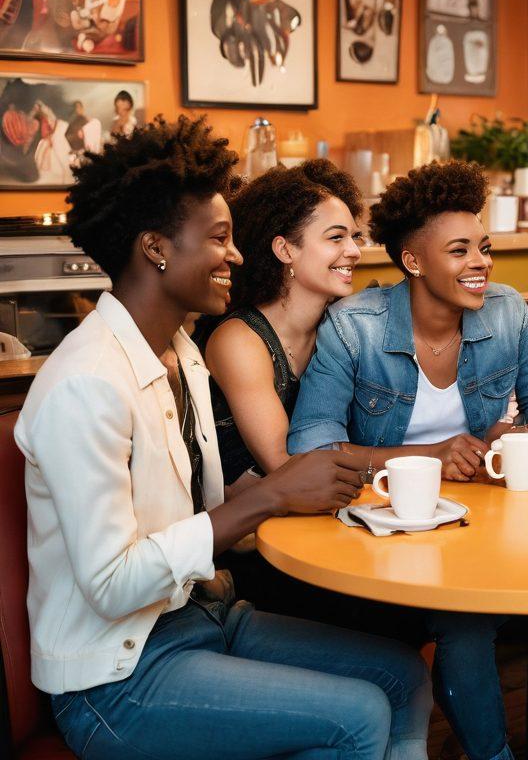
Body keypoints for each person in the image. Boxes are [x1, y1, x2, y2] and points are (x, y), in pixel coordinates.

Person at [15, 116, 431, 760]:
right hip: (116, 679)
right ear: (156, 248)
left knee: (400, 675)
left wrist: (317, 492)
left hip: (200, 618)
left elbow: (200, 498)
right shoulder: (86, 384)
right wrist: (268, 498)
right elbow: (111, 583)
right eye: (218, 238)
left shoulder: (181, 351)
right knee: (358, 716)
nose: (237, 255)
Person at [289, 159, 528, 760]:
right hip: (384, 531)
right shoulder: (355, 328)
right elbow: (311, 449)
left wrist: (524, 441)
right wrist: (429, 457)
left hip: (484, 524)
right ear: (413, 261)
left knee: (480, 616)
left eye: (484, 247)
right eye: (460, 251)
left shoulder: (506, 312)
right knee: (464, 622)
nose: (481, 263)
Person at [200, 160, 367, 616]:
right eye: (336, 238)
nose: (354, 251)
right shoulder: (240, 339)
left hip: (319, 526)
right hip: (249, 557)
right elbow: (286, 467)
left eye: (355, 237)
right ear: (285, 250)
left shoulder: (341, 328)